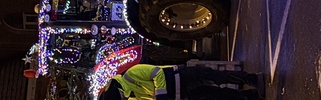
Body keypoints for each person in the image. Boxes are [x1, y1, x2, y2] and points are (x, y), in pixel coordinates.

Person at [105, 63, 261, 100]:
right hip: (180, 95)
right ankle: (249, 96)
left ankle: (250, 79)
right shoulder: (132, 96)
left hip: (180, 76)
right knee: (215, 95)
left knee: (216, 77)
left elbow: (157, 72)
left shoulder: (131, 74)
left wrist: (161, 94)